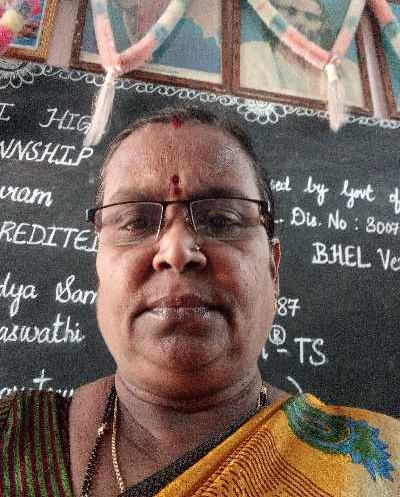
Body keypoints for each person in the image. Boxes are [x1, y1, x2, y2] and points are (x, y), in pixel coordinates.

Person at [0, 106, 399, 496]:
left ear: (273, 269)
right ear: (99, 268)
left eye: (221, 220)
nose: (176, 251)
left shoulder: (380, 467)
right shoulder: (12, 439)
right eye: (136, 221)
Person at [240, 0, 364, 106]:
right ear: (271, 17)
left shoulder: (350, 70)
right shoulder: (251, 53)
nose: (300, 22)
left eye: (310, 17)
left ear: (322, 27)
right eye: (290, 12)